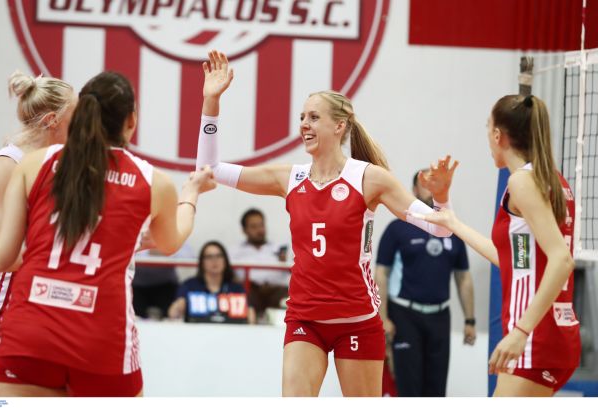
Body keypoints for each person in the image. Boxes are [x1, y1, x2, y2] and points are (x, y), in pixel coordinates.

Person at [195, 50, 458, 397]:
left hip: (357, 320)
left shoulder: (369, 178)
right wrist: (211, 101)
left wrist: (441, 197)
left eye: (314, 117)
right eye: (302, 117)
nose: (304, 124)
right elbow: (209, 170)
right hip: (305, 319)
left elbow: (441, 228)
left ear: (339, 125)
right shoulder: (290, 178)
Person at [0, 71, 214, 397]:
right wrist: (191, 194)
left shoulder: (36, 164)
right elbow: (171, 242)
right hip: (99, 335)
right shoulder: (153, 181)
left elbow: (3, 256)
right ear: (131, 120)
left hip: (32, 329)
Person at [415, 95, 580, 396]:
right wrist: (452, 220)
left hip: (534, 337)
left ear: (497, 135)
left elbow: (562, 260)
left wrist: (521, 331)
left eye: (487, 128)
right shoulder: (552, 180)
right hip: (555, 332)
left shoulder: (522, 182)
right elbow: (513, 261)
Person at [0, 71, 76, 396]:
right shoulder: (5, 166)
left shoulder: (55, 164)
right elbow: (6, 257)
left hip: (35, 312)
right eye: (78, 116)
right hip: (2, 312)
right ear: (53, 120)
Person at [375, 168, 476, 397]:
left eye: (434, 183)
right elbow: (381, 274)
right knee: (409, 389)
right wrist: (383, 317)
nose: (430, 187)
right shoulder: (397, 229)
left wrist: (470, 320)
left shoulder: (452, 230)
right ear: (413, 190)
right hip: (405, 317)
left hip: (440, 317)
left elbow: (463, 277)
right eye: (424, 183)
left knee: (436, 390)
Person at [168, 241, 254, 324]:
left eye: (219, 256)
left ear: (225, 261)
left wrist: (250, 315)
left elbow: (250, 314)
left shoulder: (236, 288)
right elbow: (173, 313)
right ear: (202, 262)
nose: (214, 260)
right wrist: (179, 307)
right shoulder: (190, 286)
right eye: (209, 257)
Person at [231, 208, 289, 321]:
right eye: (253, 226)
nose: (259, 230)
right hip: (250, 291)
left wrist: (284, 261)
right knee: (240, 294)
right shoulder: (234, 252)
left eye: (261, 225)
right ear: (244, 230)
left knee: (290, 297)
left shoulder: (279, 248)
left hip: (277, 291)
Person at [132, 242, 194, 320]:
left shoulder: (173, 236)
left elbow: (189, 256)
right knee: (134, 316)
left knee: (172, 315)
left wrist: (167, 251)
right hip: (138, 286)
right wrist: (148, 251)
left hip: (166, 285)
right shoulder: (136, 237)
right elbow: (127, 254)